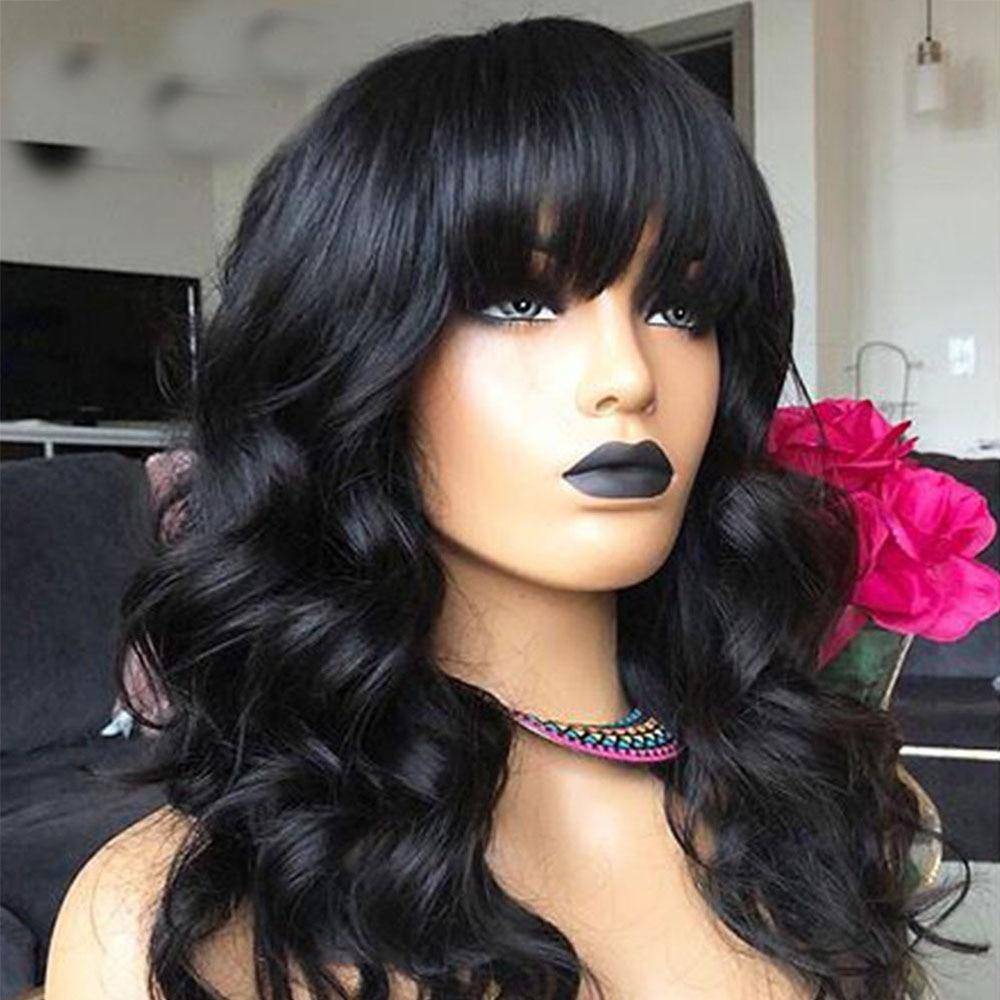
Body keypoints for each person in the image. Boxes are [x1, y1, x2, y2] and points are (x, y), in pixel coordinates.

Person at [44, 15, 983, 1000]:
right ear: (354, 351)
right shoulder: (176, 924)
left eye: (679, 309)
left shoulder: (831, 813)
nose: (627, 375)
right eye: (520, 303)